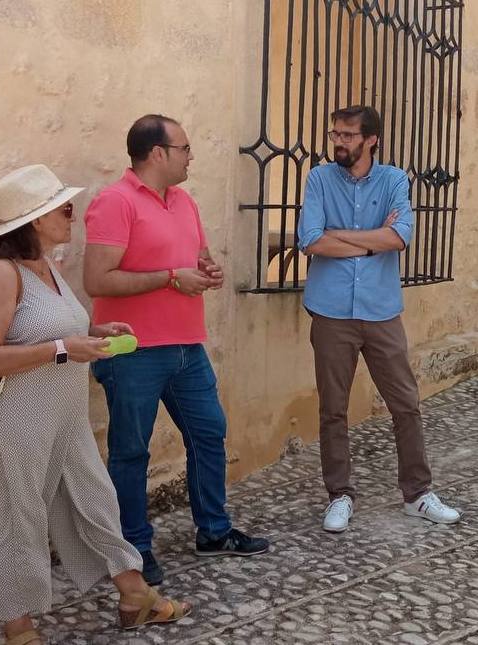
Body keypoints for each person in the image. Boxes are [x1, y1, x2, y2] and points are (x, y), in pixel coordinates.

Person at [0, 164, 191, 645]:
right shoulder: (1, 274)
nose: (73, 213)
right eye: (61, 207)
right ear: (32, 220)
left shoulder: (47, 266)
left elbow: (53, 331)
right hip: (17, 419)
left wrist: (96, 334)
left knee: (96, 500)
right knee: (20, 515)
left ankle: (133, 593)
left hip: (65, 415)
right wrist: (65, 348)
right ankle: (17, 624)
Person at [83, 114, 269, 587]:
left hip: (188, 345)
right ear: (157, 153)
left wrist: (206, 272)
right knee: (131, 451)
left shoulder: (183, 201)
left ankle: (214, 531)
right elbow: (97, 280)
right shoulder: (114, 202)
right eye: (184, 148)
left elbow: (194, 260)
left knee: (209, 433)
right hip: (134, 351)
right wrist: (170, 279)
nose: (191, 156)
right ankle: (134, 549)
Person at [297, 105, 461, 533]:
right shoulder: (319, 178)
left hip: (381, 310)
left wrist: (345, 236)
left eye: (349, 135)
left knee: (406, 403)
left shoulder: (393, 180)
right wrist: (373, 243)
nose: (339, 142)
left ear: (372, 140)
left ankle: (418, 494)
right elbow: (311, 240)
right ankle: (339, 495)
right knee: (333, 408)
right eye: (336, 133)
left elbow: (399, 236)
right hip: (331, 311)